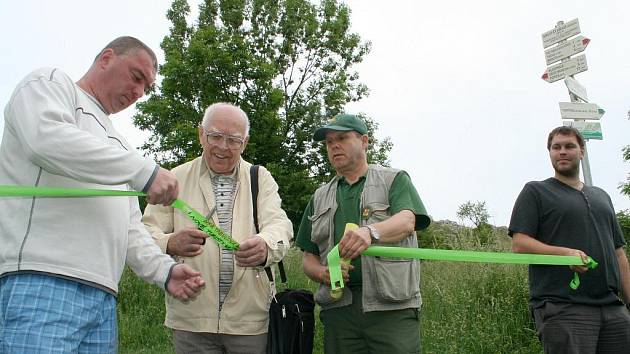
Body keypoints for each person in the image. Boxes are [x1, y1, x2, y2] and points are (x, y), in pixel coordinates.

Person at [0, 36, 206, 353]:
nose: (138, 93)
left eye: (146, 88)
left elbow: (129, 227)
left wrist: (165, 271)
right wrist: (143, 171)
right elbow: (44, 139)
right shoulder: (52, 84)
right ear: (106, 58)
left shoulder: (120, 147)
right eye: (136, 77)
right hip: (43, 280)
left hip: (103, 295)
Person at [142, 102, 293, 354]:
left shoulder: (260, 177)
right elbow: (146, 232)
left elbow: (280, 224)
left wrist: (265, 245)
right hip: (191, 318)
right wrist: (169, 243)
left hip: (250, 320)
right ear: (201, 134)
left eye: (234, 139)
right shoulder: (174, 178)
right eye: (215, 136)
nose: (223, 146)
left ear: (245, 143)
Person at [295, 114, 431, 354]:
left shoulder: (394, 180)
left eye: (342, 138)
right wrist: (321, 273)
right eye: (329, 142)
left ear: (365, 141)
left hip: (391, 310)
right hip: (339, 312)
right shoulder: (319, 196)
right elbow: (308, 256)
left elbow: (408, 220)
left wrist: (371, 232)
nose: (334, 145)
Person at [509, 126, 630, 353]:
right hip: (564, 307)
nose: (562, 151)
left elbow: (618, 253)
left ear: (581, 151)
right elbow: (520, 244)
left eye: (569, 146)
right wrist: (564, 254)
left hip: (613, 309)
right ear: (550, 153)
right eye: (556, 147)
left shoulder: (602, 196)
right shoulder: (536, 192)